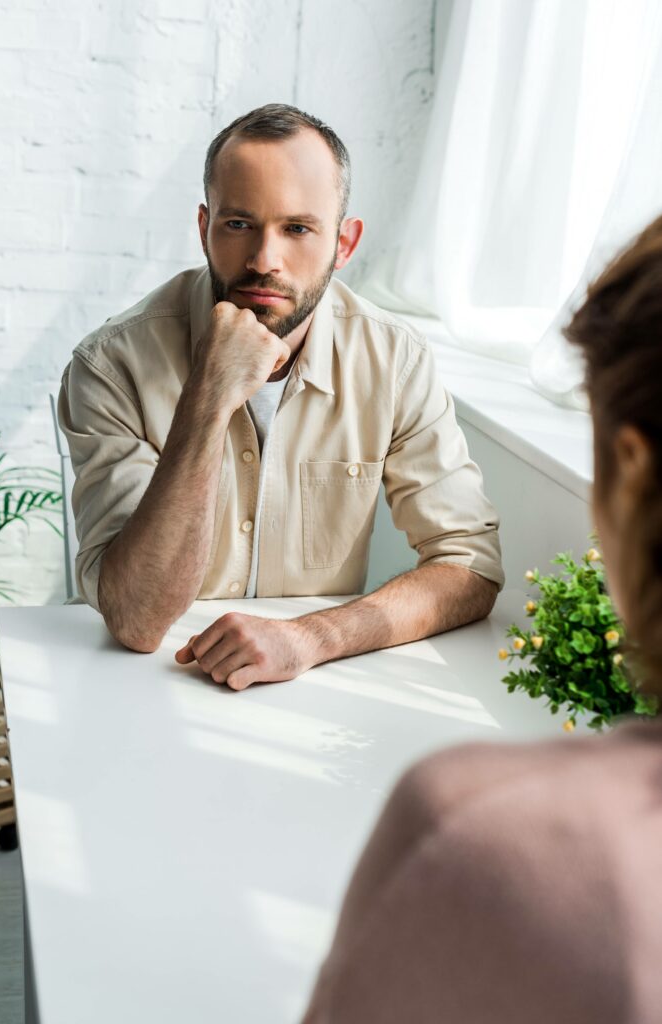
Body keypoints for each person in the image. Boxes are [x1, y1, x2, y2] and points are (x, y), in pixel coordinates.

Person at [302, 215, 662, 1023]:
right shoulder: (120, 357)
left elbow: (467, 561)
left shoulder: (486, 836)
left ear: (630, 481)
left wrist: (315, 635)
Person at [58, 103, 503, 689]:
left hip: (319, 688)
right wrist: (209, 397)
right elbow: (138, 619)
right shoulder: (111, 365)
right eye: (238, 224)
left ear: (344, 244)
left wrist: (311, 638)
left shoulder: (395, 359)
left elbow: (468, 564)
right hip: (138, 686)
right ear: (204, 228)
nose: (264, 261)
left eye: (297, 229)